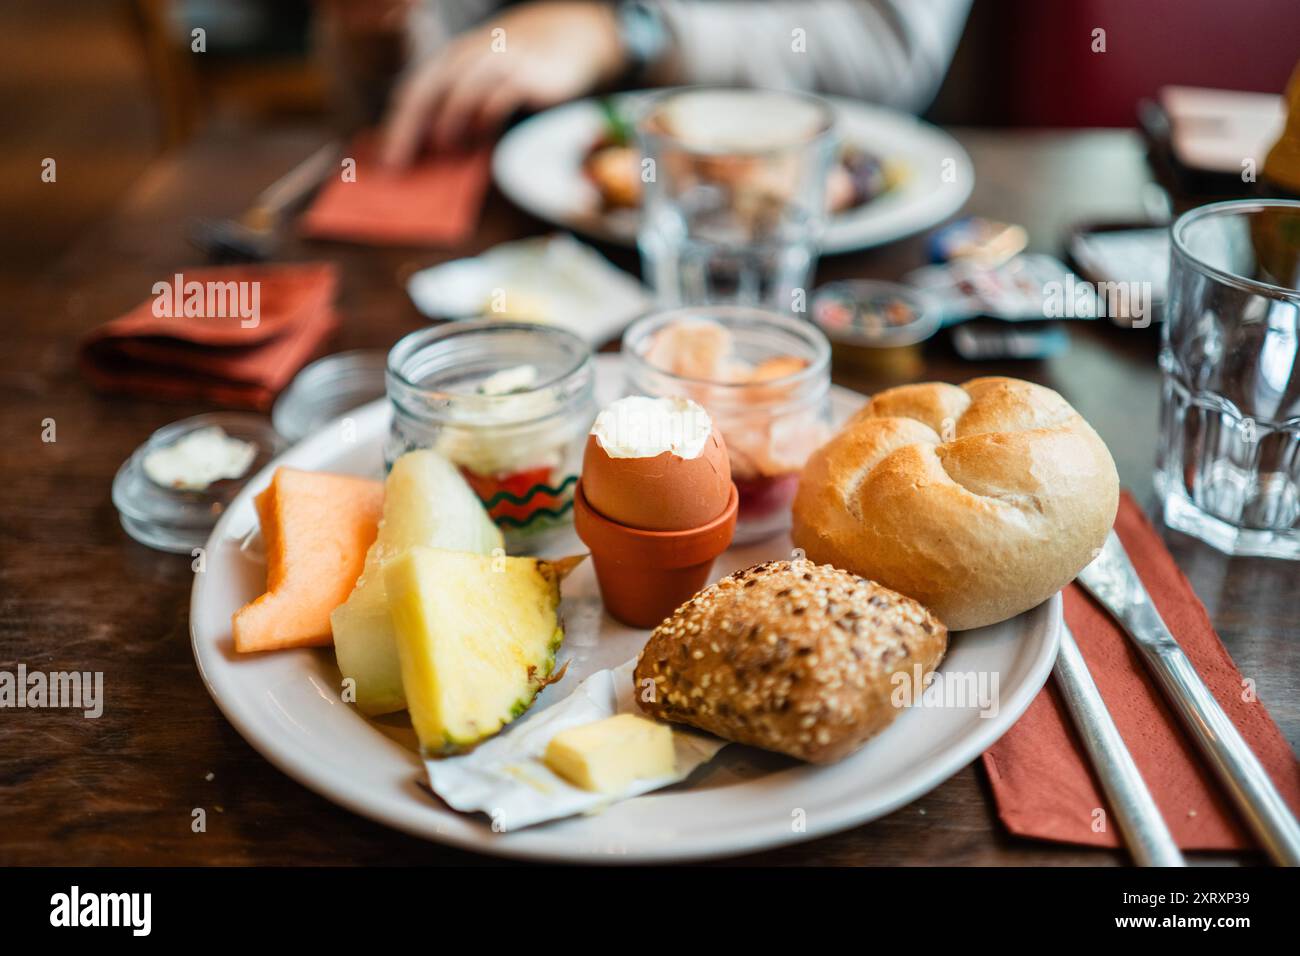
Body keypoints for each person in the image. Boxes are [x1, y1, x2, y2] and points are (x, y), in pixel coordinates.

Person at [379, 0, 971, 167]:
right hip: (512, 209)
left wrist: (622, 29)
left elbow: (888, 46)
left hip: (835, 256)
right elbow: (432, 63)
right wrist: (379, 34)